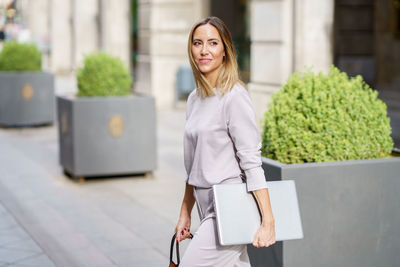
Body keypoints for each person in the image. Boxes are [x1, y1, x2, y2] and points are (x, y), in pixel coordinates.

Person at [174, 16, 276, 266]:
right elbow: (193, 167)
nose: (204, 50)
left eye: (212, 43)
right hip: (204, 202)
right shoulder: (193, 99)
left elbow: (251, 162)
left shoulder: (234, 97)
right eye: (197, 43)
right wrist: (185, 212)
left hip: (228, 205)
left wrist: (268, 221)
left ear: (225, 52)